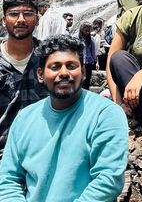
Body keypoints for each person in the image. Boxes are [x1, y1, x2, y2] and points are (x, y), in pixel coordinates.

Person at [0, 35, 128, 201]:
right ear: (40, 75)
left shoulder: (106, 114)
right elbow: (8, 180)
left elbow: (108, 181)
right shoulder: (24, 118)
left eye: (71, 66)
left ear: (83, 72)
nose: (64, 73)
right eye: (55, 67)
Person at [0, 0, 48, 159]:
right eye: (13, 14)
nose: (21, 20)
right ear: (4, 20)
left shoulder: (49, 57)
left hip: (45, 152)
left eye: (27, 14)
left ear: (37, 18)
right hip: (3, 154)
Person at [79, 21, 96, 89]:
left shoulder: (91, 39)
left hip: (88, 62)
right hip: (79, 62)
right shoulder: (75, 37)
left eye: (89, 31)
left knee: (87, 79)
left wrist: (94, 60)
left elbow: (93, 50)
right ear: (82, 29)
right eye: (86, 30)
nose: (87, 32)